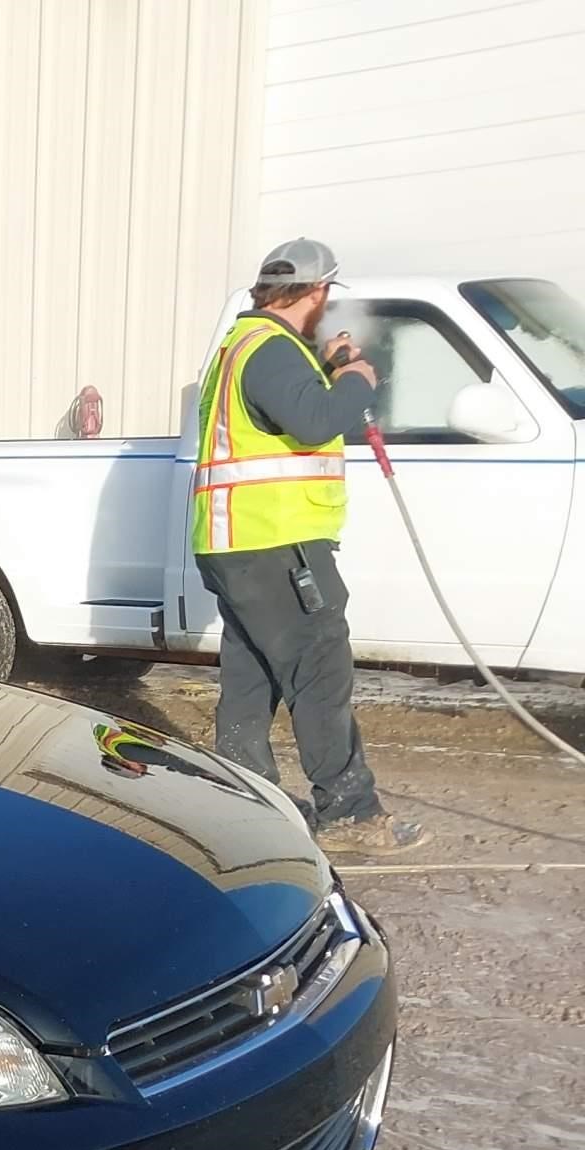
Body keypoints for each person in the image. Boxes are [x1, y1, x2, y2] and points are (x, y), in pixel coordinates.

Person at [190, 238, 426, 853]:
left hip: (238, 542)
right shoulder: (270, 351)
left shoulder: (247, 347)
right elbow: (315, 421)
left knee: (253, 671)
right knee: (319, 670)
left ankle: (241, 799)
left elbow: (285, 413)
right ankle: (348, 811)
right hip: (277, 543)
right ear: (317, 293)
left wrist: (324, 368)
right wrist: (355, 379)